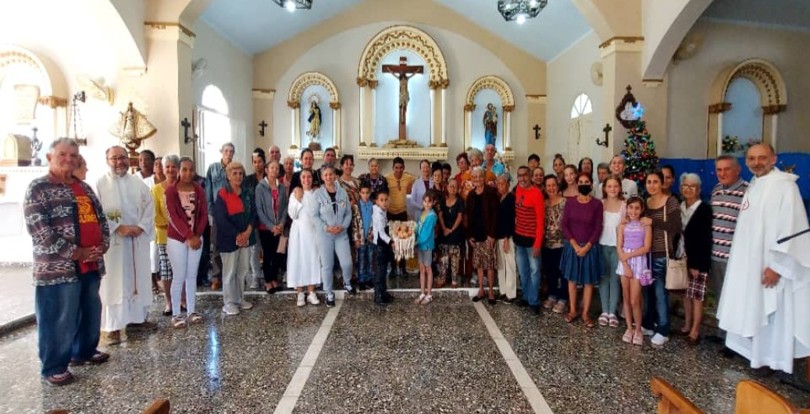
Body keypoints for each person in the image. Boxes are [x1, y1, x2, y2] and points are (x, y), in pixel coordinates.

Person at [717, 144, 810, 374]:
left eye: (761, 158)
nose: (756, 162)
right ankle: (756, 357)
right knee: (754, 308)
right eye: (751, 158)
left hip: (771, 267)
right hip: (750, 265)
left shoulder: (786, 187)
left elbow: (792, 227)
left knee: (772, 311)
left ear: (773, 158)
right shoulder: (756, 185)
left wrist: (777, 267)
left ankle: (774, 360)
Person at [24, 138, 110, 386]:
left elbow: (101, 220)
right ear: (50, 157)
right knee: (57, 317)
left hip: (90, 265)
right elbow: (40, 231)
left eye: (74, 155)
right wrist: (77, 252)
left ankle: (83, 351)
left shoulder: (84, 187)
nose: (69, 159)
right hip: (57, 269)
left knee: (89, 311)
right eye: (63, 154)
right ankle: (53, 366)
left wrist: (101, 245)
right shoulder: (38, 188)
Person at [95, 146, 156, 344]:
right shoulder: (99, 184)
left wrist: (140, 227)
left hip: (136, 240)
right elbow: (96, 213)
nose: (119, 162)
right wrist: (117, 227)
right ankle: (111, 328)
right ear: (107, 160)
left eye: (122, 158)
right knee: (114, 282)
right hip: (114, 244)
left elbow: (149, 207)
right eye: (114, 158)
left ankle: (137, 320)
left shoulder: (137, 183)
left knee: (137, 278)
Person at [709, 155, 748, 352]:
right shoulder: (716, 190)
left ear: (737, 169)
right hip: (715, 254)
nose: (722, 173)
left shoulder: (747, 192)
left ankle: (734, 343)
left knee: (734, 299)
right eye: (719, 170)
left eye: (726, 169)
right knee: (719, 297)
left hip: (734, 259)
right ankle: (722, 333)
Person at [165, 157, 208, 328]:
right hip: (177, 238)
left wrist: (196, 235)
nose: (188, 173)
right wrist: (189, 235)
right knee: (179, 275)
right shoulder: (171, 191)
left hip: (196, 238)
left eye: (191, 170)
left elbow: (204, 214)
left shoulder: (198, 189)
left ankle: (191, 310)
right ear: (178, 170)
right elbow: (174, 217)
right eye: (184, 169)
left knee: (192, 276)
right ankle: (176, 314)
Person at [642, 170, 681, 348]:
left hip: (662, 253)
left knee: (660, 293)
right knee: (648, 292)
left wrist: (654, 222)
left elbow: (676, 226)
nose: (652, 185)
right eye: (649, 182)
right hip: (646, 254)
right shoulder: (646, 202)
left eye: (655, 182)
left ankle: (664, 329)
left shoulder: (670, 201)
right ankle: (649, 323)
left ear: (662, 183)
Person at [214, 161, 257, 316]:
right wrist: (237, 235)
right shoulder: (222, 194)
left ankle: (240, 299)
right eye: (234, 173)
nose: (238, 176)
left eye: (240, 173)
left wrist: (247, 232)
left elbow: (253, 214)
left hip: (246, 238)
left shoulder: (247, 192)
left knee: (242, 270)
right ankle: (229, 302)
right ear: (228, 175)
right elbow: (221, 218)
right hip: (229, 240)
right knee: (229, 272)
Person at [561, 173, 603, 328]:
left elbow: (598, 228)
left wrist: (587, 246)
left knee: (588, 281)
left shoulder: (597, 204)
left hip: (589, 247)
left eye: (586, 182)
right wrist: (574, 244)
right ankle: (572, 310)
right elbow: (564, 225)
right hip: (573, 246)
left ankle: (585, 312)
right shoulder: (570, 203)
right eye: (581, 182)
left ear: (591, 185)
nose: (583, 184)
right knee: (571, 280)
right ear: (577, 185)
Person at [311, 166, 354, 307]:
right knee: (327, 265)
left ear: (335, 176)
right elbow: (314, 216)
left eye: (331, 174)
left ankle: (347, 282)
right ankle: (329, 293)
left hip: (341, 233)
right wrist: (326, 227)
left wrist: (343, 226)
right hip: (325, 235)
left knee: (347, 263)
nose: (329, 177)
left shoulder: (342, 192)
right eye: (326, 175)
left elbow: (348, 213)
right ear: (322, 177)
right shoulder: (317, 194)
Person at [678, 173, 713, 345]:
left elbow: (705, 239)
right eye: (685, 186)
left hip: (697, 261)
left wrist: (697, 264)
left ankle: (695, 331)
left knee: (697, 297)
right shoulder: (681, 206)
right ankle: (686, 325)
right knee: (686, 294)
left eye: (692, 186)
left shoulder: (704, 209)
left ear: (698, 190)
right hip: (682, 257)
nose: (688, 189)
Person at [616, 196, 652, 346]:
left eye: (637, 208)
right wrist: (625, 265)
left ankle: (638, 329)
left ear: (642, 209)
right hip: (624, 263)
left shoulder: (645, 226)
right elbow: (619, 246)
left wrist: (629, 256)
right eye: (631, 207)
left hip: (637, 261)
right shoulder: (622, 226)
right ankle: (629, 328)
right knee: (625, 297)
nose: (633, 211)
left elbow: (646, 247)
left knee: (634, 299)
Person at [152, 154, 184, 316]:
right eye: (167, 167)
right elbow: (154, 213)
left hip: (183, 236)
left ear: (178, 169)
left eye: (173, 166)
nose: (170, 170)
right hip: (164, 235)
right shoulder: (156, 189)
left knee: (182, 269)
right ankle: (169, 302)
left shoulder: (184, 187)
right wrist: (171, 224)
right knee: (166, 270)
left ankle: (183, 299)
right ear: (163, 170)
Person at [287, 169, 321, 307]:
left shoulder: (316, 194)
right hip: (298, 232)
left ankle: (311, 292)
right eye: (304, 177)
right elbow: (292, 214)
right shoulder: (295, 194)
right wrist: (299, 199)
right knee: (298, 260)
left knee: (312, 259)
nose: (306, 180)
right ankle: (300, 293)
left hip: (313, 233)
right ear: (300, 179)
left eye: (309, 177)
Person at [514, 166, 545, 314]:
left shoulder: (537, 194)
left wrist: (538, 244)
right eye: (519, 176)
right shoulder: (518, 190)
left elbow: (540, 221)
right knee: (523, 271)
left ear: (530, 176)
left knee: (534, 271)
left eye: (525, 175)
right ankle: (526, 297)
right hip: (519, 239)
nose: (522, 179)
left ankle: (534, 301)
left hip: (532, 240)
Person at [467, 167, 499, 304]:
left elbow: (496, 215)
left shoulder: (491, 192)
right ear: (472, 178)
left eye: (480, 176)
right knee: (479, 265)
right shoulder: (471, 195)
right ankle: (481, 289)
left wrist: (492, 235)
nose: (477, 179)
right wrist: (469, 235)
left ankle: (491, 291)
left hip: (488, 235)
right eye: (475, 177)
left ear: (484, 177)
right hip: (476, 234)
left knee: (490, 265)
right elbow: (468, 216)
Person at [205, 142, 235, 290]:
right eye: (226, 151)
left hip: (233, 212)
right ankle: (216, 276)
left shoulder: (235, 168)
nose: (228, 154)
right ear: (221, 152)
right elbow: (209, 190)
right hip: (218, 212)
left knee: (231, 244)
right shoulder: (213, 168)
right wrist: (211, 210)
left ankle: (230, 275)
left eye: (231, 152)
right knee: (216, 244)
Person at [256, 160, 288, 294]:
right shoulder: (260, 187)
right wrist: (271, 226)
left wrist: (281, 224)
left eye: (276, 168)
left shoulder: (282, 187)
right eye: (271, 168)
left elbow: (285, 207)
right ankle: (268, 281)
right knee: (267, 255)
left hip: (279, 228)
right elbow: (259, 210)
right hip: (265, 228)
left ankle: (275, 279)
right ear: (267, 170)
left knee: (277, 254)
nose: (274, 170)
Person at [597, 175, 624, 328]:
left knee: (615, 279)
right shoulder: (600, 204)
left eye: (615, 186)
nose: (612, 189)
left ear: (619, 188)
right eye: (609, 186)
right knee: (603, 278)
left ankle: (612, 311)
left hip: (617, 247)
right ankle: (604, 311)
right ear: (604, 188)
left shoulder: (624, 205)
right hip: (602, 245)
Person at [385, 157, 414, 276]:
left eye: (401, 167)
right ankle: (392, 267)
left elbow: (417, 181)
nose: (398, 170)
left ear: (404, 168)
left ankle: (402, 268)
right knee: (392, 241)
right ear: (393, 168)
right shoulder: (387, 178)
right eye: (396, 168)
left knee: (403, 240)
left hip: (402, 213)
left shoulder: (409, 178)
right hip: (390, 212)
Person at [542, 175, 567, 314]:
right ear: (545, 188)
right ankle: (552, 295)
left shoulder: (565, 202)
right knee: (550, 271)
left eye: (553, 185)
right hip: (547, 243)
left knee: (562, 272)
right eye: (548, 186)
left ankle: (563, 298)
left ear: (558, 186)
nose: (551, 188)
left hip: (562, 243)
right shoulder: (544, 203)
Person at [244, 148, 266, 290]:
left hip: (267, 220)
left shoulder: (269, 178)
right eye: (255, 162)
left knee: (267, 249)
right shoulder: (248, 180)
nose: (257, 164)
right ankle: (256, 277)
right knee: (253, 250)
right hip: (252, 219)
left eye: (259, 162)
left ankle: (268, 275)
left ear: (264, 162)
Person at [437, 179, 464, 288]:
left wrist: (451, 229)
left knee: (454, 258)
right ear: (447, 188)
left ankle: (454, 280)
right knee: (443, 258)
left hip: (455, 233)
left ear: (457, 189)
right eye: (451, 186)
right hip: (444, 233)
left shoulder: (460, 201)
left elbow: (460, 216)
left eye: (455, 186)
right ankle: (442, 278)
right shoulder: (443, 201)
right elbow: (440, 215)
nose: (452, 188)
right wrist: (444, 229)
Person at [495, 174, 517, 303]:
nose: (500, 186)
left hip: (507, 236)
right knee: (501, 265)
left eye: (502, 184)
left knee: (510, 265)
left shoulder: (510, 198)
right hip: (499, 236)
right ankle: (503, 291)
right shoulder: (499, 198)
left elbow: (510, 220)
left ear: (508, 184)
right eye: (498, 184)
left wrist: (507, 238)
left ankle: (511, 293)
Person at [414, 191, 438, 304]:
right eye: (425, 201)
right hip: (420, 245)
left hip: (426, 245)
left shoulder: (432, 216)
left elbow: (427, 233)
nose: (427, 204)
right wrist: (411, 234)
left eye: (429, 202)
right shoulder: (423, 213)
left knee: (428, 269)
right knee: (422, 268)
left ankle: (429, 294)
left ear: (433, 203)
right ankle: (422, 292)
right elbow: (418, 227)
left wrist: (416, 241)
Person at [372, 190, 394, 306]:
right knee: (380, 272)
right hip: (380, 245)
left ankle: (383, 293)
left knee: (384, 270)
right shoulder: (378, 214)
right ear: (377, 201)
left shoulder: (382, 211)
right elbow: (381, 233)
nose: (384, 202)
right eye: (381, 200)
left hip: (383, 246)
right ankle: (378, 296)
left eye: (386, 200)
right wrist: (391, 242)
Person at [352, 182, 375, 291]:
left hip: (370, 237)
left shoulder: (373, 206)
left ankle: (369, 279)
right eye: (363, 193)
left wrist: (373, 233)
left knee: (370, 259)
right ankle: (361, 280)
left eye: (367, 193)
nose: (365, 195)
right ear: (359, 193)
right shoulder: (356, 207)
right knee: (361, 260)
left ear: (370, 193)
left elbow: (375, 222)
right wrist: (356, 238)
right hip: (360, 238)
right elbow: (354, 224)